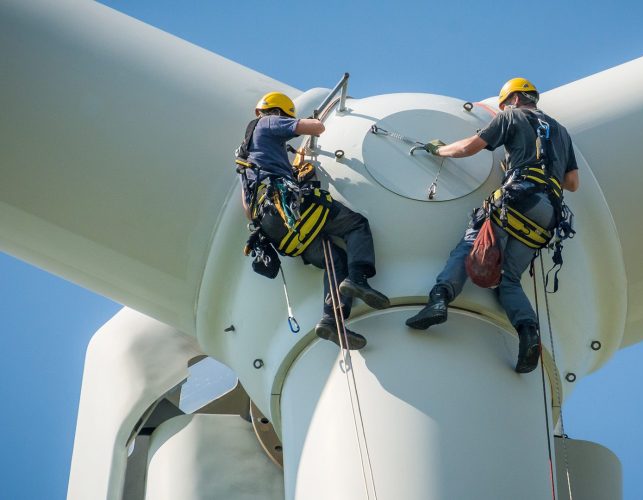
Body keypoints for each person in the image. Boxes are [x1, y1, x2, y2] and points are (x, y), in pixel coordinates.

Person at [405, 78, 579, 373]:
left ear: (512, 100)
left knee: (470, 246)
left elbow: (470, 148)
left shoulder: (511, 116)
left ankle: (439, 300)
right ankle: (528, 333)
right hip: (548, 215)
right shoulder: (561, 132)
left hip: (517, 198)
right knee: (508, 279)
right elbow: (572, 183)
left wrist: (439, 151)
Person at [237, 91, 390, 350]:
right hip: (289, 207)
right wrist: (310, 122)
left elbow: (247, 209)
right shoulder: (269, 122)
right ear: (278, 112)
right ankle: (358, 279)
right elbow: (315, 127)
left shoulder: (244, 154)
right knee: (355, 224)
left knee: (334, 258)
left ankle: (331, 320)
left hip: (274, 226)